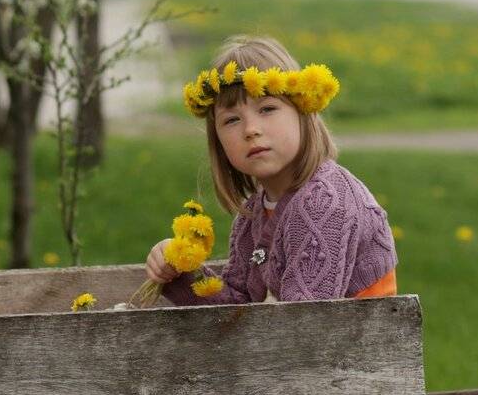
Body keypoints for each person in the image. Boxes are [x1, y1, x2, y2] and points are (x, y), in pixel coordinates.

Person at [145, 35, 397, 305]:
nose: (251, 129)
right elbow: (235, 311)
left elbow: (302, 324)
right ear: (218, 141)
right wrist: (182, 271)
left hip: (352, 345)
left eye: (267, 108)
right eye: (232, 120)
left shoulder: (323, 201)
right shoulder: (253, 215)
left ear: (302, 112)